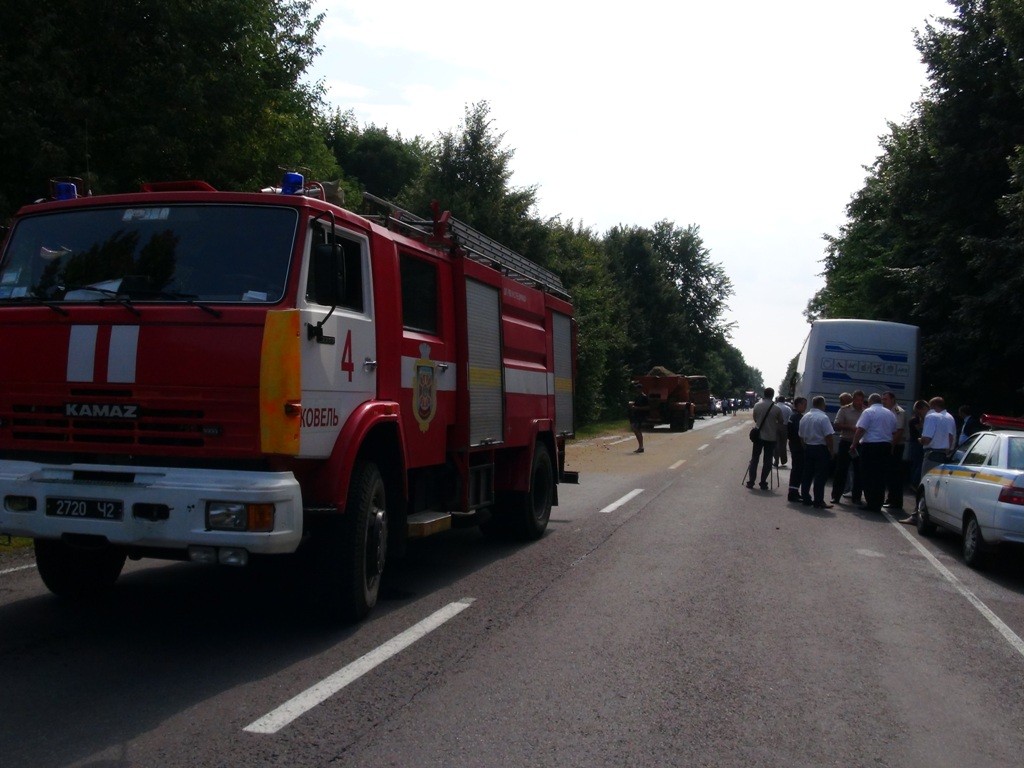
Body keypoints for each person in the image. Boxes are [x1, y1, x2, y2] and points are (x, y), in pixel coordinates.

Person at [850, 393, 897, 513]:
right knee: (880, 475)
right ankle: (878, 502)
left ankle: (871, 502)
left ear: (870, 402)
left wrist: (854, 443)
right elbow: (893, 431)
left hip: (871, 445)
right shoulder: (890, 413)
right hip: (885, 446)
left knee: (867, 474)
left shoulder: (868, 412)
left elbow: (861, 429)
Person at [798, 396, 835, 508]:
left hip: (809, 447)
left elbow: (801, 435)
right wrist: (831, 450)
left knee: (807, 474)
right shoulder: (823, 417)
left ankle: (805, 498)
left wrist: (804, 446)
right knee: (820, 476)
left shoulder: (805, 417)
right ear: (822, 404)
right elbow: (828, 436)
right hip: (820, 449)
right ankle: (818, 501)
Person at [747, 387, 786, 490]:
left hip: (758, 436)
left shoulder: (757, 405)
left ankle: (751, 481)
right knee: (768, 461)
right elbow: (781, 422)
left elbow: (755, 419)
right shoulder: (777, 408)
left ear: (764, 394)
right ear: (773, 395)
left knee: (754, 459)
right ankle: (763, 482)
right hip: (771, 437)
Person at [831, 390, 864, 504]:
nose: (860, 403)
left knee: (859, 471)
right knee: (841, 470)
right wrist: (850, 427)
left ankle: (856, 497)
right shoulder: (844, 410)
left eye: (861, 400)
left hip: (860, 444)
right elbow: (836, 425)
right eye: (858, 400)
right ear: (853, 400)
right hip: (846, 442)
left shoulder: (866, 411)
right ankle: (836, 496)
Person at [882, 391, 907, 512]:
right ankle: (890, 498)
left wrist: (891, 445)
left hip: (896, 446)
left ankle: (895, 501)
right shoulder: (887, 411)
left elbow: (899, 431)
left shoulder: (898, 411)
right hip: (891, 445)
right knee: (889, 474)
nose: (883, 401)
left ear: (892, 399)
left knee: (895, 474)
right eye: (883, 399)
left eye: (885, 399)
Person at [786, 397, 807, 502]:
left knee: (797, 469)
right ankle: (793, 493)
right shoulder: (798, 418)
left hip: (793, 445)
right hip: (798, 447)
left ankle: (794, 491)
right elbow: (801, 435)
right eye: (803, 404)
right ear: (798, 405)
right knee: (797, 470)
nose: (805, 406)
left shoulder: (793, 417)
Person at [906, 399, 929, 489]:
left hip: (916, 444)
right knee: (918, 464)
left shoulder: (917, 420)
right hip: (916, 444)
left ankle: (914, 482)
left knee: (916, 464)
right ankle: (914, 482)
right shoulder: (914, 421)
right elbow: (920, 432)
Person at [629, 382, 648, 454]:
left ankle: (641, 446)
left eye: (637, 388)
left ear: (640, 389)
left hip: (641, 415)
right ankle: (640, 446)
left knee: (637, 430)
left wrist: (637, 408)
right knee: (635, 430)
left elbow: (648, 407)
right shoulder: (637, 397)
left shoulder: (644, 397)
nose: (636, 390)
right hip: (636, 415)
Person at [775, 396, 793, 467]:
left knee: (776, 444)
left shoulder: (774, 407)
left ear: (777, 400)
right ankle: (783, 460)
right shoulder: (788, 408)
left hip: (775, 426)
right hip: (785, 427)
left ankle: (776, 460)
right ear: (784, 400)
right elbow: (790, 418)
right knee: (783, 444)